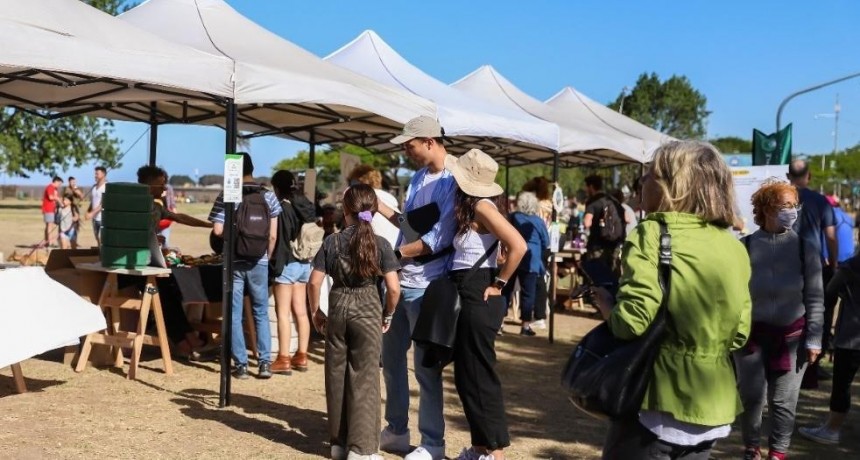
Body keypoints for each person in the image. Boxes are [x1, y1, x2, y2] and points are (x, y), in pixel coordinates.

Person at [591, 140, 752, 459]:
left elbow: (632, 322)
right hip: (713, 404)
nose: (642, 183)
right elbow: (740, 333)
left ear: (673, 186)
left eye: (650, 175)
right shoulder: (733, 245)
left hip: (656, 402)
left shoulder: (652, 232)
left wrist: (608, 307)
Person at [374, 116, 457, 460]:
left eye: (409, 145)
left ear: (428, 141)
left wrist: (390, 257)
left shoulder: (454, 179)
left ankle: (432, 442)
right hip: (402, 281)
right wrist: (383, 210)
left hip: (429, 285)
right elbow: (412, 229)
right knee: (391, 362)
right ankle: (396, 429)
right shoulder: (418, 178)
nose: (406, 151)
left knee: (426, 369)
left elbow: (438, 239)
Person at [308, 184, 401, 460]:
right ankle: (361, 449)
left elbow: (314, 281)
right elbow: (394, 288)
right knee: (365, 378)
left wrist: (317, 311)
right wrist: (389, 314)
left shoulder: (332, 242)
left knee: (336, 375)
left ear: (344, 210)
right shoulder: (380, 244)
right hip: (368, 307)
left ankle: (338, 443)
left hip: (337, 306)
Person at [445, 149, 526, 460]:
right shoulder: (474, 207)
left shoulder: (481, 206)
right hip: (471, 290)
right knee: (469, 375)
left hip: (478, 292)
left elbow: (518, 245)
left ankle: (494, 451)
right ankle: (482, 448)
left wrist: (500, 283)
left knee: (478, 375)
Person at [735, 180, 823, 460]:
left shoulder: (805, 248)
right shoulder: (744, 247)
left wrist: (814, 338)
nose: (792, 211)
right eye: (785, 206)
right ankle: (751, 448)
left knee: (784, 403)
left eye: (794, 206)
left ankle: (778, 452)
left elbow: (815, 298)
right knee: (751, 399)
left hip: (792, 340)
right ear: (766, 208)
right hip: (750, 339)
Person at [209, 152, 282, 379]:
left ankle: (240, 365)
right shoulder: (268, 196)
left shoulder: (227, 195)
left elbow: (218, 231)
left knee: (234, 312)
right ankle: (264, 363)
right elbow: (272, 236)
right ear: (252, 168)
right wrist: (266, 258)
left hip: (234, 261)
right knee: (260, 311)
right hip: (259, 260)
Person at [137, 165, 217, 360]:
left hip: (147, 266)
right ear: (148, 185)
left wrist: (209, 225)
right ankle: (185, 344)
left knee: (169, 290)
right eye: (161, 185)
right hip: (132, 269)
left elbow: (179, 217)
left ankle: (190, 340)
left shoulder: (156, 206)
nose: (164, 189)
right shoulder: (134, 205)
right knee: (164, 295)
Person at [799, 252, 860, 445]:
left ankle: (832, 428)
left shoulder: (853, 264)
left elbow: (831, 289)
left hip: (851, 336)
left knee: (842, 384)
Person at [786, 160, 837, 388]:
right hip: (814, 265)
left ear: (788, 175)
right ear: (809, 175)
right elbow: (831, 236)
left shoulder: (781, 198)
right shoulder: (821, 201)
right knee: (817, 316)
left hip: (785, 264)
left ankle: (785, 366)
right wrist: (833, 265)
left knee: (789, 315)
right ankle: (810, 372)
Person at [269, 170, 318, 375]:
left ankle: (283, 358)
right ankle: (302, 355)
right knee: (301, 311)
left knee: (283, 312)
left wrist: (273, 265)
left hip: (287, 262)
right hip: (304, 262)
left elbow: (279, 239)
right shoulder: (306, 205)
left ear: (277, 187)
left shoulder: (283, 207)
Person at [502, 191, 549, 336]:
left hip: (512, 256)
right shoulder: (538, 221)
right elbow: (546, 242)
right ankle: (525, 326)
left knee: (505, 290)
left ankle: (499, 323)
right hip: (531, 259)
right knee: (528, 294)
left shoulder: (513, 217)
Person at [347, 165, 400, 247]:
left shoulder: (361, 197)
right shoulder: (389, 197)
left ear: (359, 181)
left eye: (352, 181)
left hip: (376, 249)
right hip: (396, 247)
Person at [583, 175, 626, 277]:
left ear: (591, 187)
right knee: (612, 275)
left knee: (596, 276)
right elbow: (626, 218)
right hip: (614, 245)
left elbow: (587, 222)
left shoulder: (592, 202)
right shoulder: (613, 201)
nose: (585, 189)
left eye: (586, 187)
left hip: (596, 246)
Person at [86, 166, 107, 245]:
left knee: (102, 240)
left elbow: (103, 204)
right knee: (97, 240)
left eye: (97, 174)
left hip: (102, 219)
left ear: (103, 174)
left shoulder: (106, 187)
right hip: (95, 219)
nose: (95, 176)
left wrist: (92, 213)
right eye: (95, 174)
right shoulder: (94, 187)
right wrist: (88, 211)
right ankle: (100, 255)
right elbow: (93, 202)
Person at [41, 176, 63, 247]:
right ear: (56, 181)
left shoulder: (55, 189)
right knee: (50, 226)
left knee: (49, 225)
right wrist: (58, 199)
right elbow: (51, 197)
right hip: (48, 209)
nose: (59, 185)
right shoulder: (50, 187)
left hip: (52, 209)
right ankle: (50, 243)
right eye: (59, 183)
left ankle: (47, 241)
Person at [63, 176, 84, 247]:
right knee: (68, 225)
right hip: (69, 210)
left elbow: (82, 197)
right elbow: (66, 197)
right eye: (72, 182)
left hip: (76, 209)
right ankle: (67, 241)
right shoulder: (67, 189)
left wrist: (76, 191)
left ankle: (74, 241)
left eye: (74, 182)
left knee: (76, 227)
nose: (73, 183)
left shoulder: (77, 188)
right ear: (69, 182)